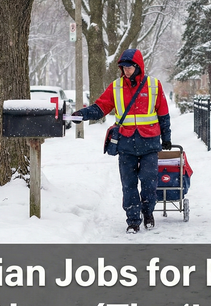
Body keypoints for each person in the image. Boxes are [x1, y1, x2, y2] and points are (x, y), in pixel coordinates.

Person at [71, 48, 171, 234]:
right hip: (126, 142)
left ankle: (148, 212)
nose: (126, 71)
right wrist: (82, 114)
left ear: (138, 66)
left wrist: (166, 138)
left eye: (129, 67)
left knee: (149, 182)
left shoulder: (154, 86)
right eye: (123, 67)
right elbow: (101, 107)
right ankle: (133, 220)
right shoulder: (116, 86)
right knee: (129, 184)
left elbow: (163, 114)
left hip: (149, 142)